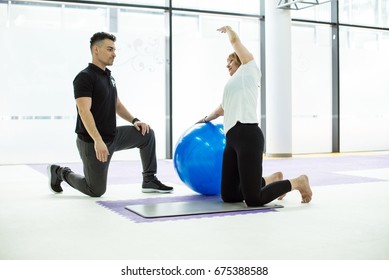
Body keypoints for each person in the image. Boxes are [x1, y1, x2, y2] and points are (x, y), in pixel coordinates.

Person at [47, 32, 173, 197]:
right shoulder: (84, 77)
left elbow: (117, 105)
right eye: (110, 49)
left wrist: (135, 120)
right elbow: (84, 111)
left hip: (112, 136)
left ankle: (149, 179)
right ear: (96, 50)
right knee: (96, 190)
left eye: (114, 49)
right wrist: (98, 141)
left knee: (147, 134)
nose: (114, 53)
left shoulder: (108, 77)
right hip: (93, 141)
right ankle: (60, 172)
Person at [198, 26, 312, 207]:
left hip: (248, 136)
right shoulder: (232, 86)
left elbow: (235, 42)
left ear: (240, 62)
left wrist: (228, 30)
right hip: (231, 140)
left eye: (231, 62)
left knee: (253, 199)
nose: (227, 65)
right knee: (229, 195)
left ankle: (297, 182)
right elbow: (221, 109)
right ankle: (271, 179)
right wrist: (205, 119)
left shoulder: (249, 70)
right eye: (226, 63)